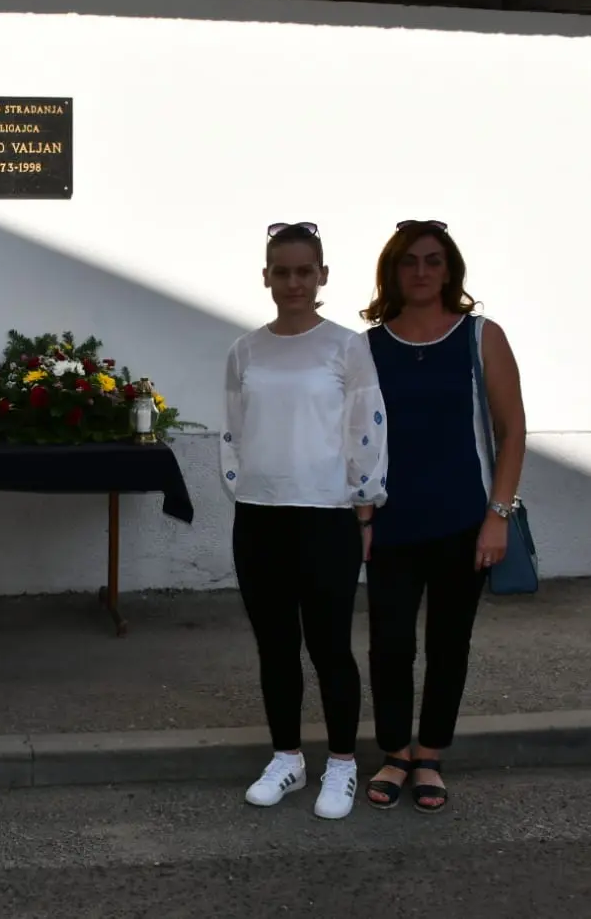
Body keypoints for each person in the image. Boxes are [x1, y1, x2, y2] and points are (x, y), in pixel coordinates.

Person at [220, 222, 389, 820]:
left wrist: (364, 505)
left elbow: (367, 428)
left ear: (322, 276)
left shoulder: (347, 346)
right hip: (260, 517)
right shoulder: (245, 350)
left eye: (304, 271)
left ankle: (341, 763)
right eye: (282, 272)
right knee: (275, 646)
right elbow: (234, 430)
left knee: (330, 646)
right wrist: (247, 489)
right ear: (266, 277)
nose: (293, 282)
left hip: (326, 517)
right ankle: (287, 758)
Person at [359, 220, 526, 813]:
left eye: (433, 260)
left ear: (450, 268)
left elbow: (511, 431)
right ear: (392, 271)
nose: (422, 271)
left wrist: (497, 516)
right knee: (389, 646)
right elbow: (356, 439)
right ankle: (395, 753)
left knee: (449, 644)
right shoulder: (368, 347)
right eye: (409, 261)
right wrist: (363, 519)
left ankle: (429, 755)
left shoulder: (481, 336)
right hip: (391, 524)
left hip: (464, 523)